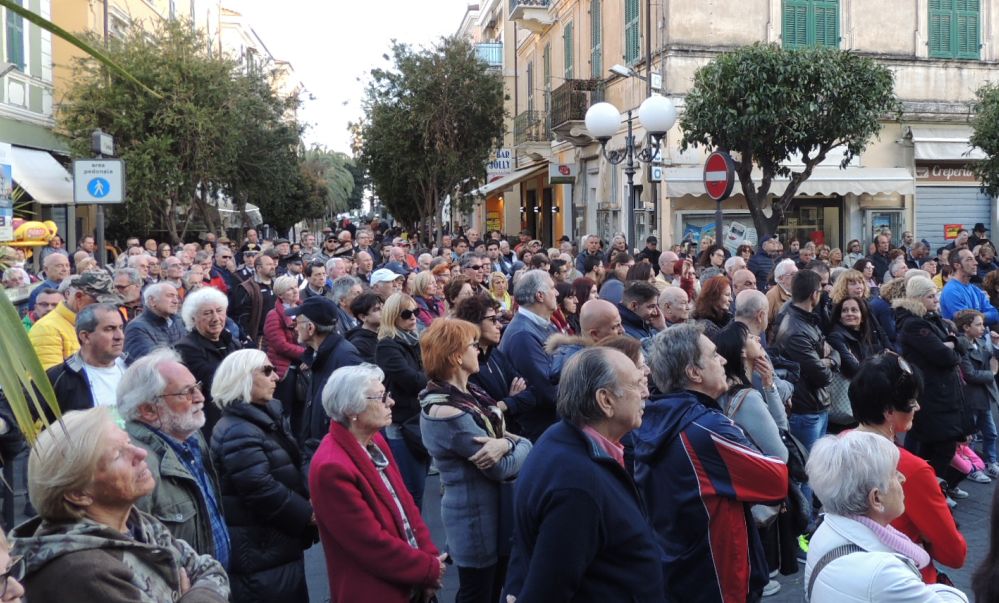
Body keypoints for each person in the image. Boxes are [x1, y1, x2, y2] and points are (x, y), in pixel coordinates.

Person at [634, 324, 789, 603]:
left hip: (679, 568)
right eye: (714, 355)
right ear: (694, 373)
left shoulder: (655, 417)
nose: (724, 361)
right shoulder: (705, 428)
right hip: (718, 577)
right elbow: (776, 480)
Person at [11, 407, 229, 602]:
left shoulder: (138, 524)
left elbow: (211, 569)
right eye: (118, 455)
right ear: (78, 493)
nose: (141, 453)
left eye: (128, 443)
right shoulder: (84, 572)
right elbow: (208, 579)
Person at [503, 347, 665, 602]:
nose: (646, 392)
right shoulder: (577, 486)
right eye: (637, 385)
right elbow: (547, 590)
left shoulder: (563, 439)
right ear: (606, 401)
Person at [309, 365, 445, 603]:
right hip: (375, 591)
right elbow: (370, 544)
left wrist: (429, 558)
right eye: (381, 396)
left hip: (410, 580)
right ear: (352, 409)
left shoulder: (376, 442)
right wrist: (428, 569)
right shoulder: (330, 467)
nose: (390, 402)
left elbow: (407, 507)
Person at [418, 319, 532, 603]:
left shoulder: (470, 394)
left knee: (493, 589)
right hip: (475, 523)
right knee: (478, 593)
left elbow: (506, 438)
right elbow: (500, 467)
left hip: (493, 515)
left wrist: (506, 442)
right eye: (472, 346)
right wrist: (518, 443)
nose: (478, 351)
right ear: (456, 356)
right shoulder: (447, 411)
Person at [803, 431, 968, 602]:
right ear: (876, 498)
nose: (903, 479)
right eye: (894, 474)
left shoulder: (826, 526)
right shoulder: (884, 573)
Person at [849, 354, 967, 584]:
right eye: (912, 402)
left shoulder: (838, 446)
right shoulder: (909, 469)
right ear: (889, 411)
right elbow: (954, 554)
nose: (918, 407)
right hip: (905, 580)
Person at [210, 349, 316, 603]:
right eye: (267, 371)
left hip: (273, 543)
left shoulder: (264, 416)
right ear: (242, 378)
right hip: (259, 551)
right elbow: (260, 488)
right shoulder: (238, 430)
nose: (276, 377)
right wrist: (307, 514)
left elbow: (292, 458)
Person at [117, 349, 229, 565]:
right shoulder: (137, 467)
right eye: (186, 393)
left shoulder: (191, 436)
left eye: (197, 387)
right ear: (148, 410)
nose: (200, 397)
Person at [894, 276, 968, 490]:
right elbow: (946, 357)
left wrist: (951, 343)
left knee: (933, 447)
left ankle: (931, 491)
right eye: (930, 296)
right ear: (917, 298)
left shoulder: (931, 319)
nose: (936, 300)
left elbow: (958, 343)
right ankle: (932, 491)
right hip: (932, 396)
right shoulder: (914, 324)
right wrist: (951, 347)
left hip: (942, 395)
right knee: (940, 448)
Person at [772, 270, 837, 459]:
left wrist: (829, 359)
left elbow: (832, 350)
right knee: (808, 470)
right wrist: (829, 361)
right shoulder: (796, 329)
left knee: (819, 464)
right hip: (805, 409)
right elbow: (822, 375)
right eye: (821, 289)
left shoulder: (806, 318)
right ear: (814, 294)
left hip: (817, 405)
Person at [291, 295, 364, 463]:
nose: (294, 328)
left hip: (336, 457)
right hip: (321, 451)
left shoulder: (345, 357)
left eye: (297, 323)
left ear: (310, 328)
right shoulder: (319, 354)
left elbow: (355, 413)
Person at [375, 292, 431, 507]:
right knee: (412, 490)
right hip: (402, 424)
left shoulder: (416, 339)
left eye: (415, 312)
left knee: (420, 484)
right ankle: (412, 538)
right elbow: (412, 380)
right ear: (392, 316)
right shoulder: (387, 345)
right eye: (407, 314)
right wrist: (433, 377)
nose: (414, 317)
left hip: (419, 417)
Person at [497, 270, 559, 442]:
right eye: (553, 288)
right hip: (537, 430)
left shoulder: (543, 324)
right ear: (540, 295)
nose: (557, 293)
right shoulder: (523, 335)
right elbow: (546, 388)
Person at [453, 294, 535, 419]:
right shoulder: (466, 365)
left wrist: (504, 403)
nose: (499, 326)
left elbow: (531, 395)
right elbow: (483, 413)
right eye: (492, 320)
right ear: (473, 323)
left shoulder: (495, 354)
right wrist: (511, 401)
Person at [174, 287, 241, 435]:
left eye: (219, 310)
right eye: (207, 313)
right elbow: (215, 380)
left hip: (236, 415)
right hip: (210, 422)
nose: (216, 318)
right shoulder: (186, 348)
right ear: (193, 318)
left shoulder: (231, 341)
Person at [45, 303, 126, 416]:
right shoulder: (59, 378)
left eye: (121, 328)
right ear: (85, 337)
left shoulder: (135, 367)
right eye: (109, 329)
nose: (119, 336)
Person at [30, 272, 120, 370]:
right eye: (98, 303)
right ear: (79, 297)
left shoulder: (95, 322)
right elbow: (49, 380)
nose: (105, 309)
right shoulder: (47, 329)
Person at [953, 309, 999, 479]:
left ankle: (991, 462)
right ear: (966, 327)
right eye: (978, 324)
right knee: (969, 435)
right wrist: (991, 374)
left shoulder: (979, 342)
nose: (982, 328)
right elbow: (970, 374)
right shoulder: (961, 345)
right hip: (970, 397)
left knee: (990, 432)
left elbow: (992, 359)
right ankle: (973, 468)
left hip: (982, 395)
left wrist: (995, 344)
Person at [123, 282, 185, 365]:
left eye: (176, 297)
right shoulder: (137, 328)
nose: (176, 301)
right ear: (152, 301)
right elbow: (151, 365)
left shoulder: (179, 321)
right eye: (170, 296)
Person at [230, 249, 278, 346]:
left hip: (277, 335)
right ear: (259, 268)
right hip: (259, 338)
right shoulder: (246, 288)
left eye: (273, 264)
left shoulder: (277, 284)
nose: (273, 267)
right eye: (269, 264)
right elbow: (241, 316)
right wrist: (246, 336)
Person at [262, 275, 306, 379]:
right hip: (285, 369)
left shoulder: (305, 309)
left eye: (296, 287)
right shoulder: (274, 315)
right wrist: (306, 354)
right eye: (290, 289)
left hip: (305, 365)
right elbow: (281, 346)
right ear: (280, 295)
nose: (296, 291)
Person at [940, 248, 999, 324]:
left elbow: (995, 314)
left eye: (974, 259)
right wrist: (981, 315)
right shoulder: (951, 290)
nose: (976, 263)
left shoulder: (975, 289)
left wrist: (978, 316)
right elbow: (966, 320)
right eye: (969, 259)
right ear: (957, 265)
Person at [347, 292, 382, 363]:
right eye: (377, 309)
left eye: (383, 307)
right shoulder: (359, 344)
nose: (383, 311)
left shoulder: (384, 334)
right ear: (363, 317)